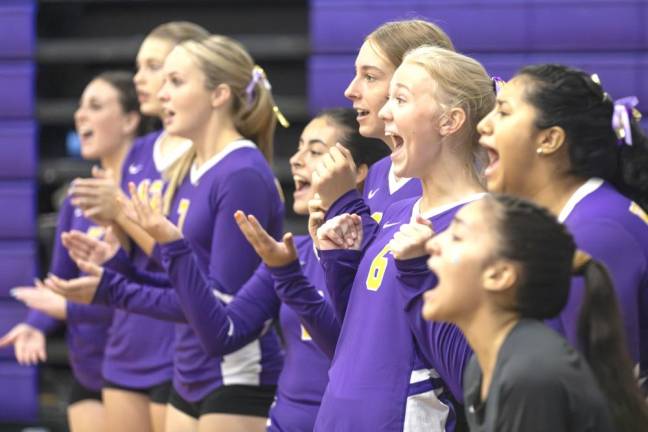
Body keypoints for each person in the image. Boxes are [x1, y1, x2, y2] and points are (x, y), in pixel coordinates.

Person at [47, 34, 287, 432]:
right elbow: (183, 281)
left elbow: (219, 311)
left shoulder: (241, 174)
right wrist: (116, 268)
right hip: (188, 371)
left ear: (219, 95)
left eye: (176, 81)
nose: (162, 92)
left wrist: (114, 290)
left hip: (233, 376)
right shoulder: (190, 168)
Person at [280, 46, 493, 431]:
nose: (385, 112)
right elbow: (355, 333)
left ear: (450, 120)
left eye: (400, 98)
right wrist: (340, 262)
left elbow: (468, 378)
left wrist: (417, 272)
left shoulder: (481, 224)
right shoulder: (399, 211)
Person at [61, 22, 210, 432]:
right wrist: (106, 255)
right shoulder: (140, 152)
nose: (140, 79)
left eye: (153, 66)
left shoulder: (208, 156)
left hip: (178, 340)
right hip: (127, 343)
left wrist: (122, 212)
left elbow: (188, 262)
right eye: (139, 67)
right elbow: (133, 255)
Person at [476, 64, 648, 387]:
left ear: (550, 139)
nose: (483, 125)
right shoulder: (580, 220)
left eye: (503, 112)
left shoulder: (599, 234)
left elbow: (600, 397)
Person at [421, 194, 648, 431]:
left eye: (456, 236)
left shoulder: (530, 373)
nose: (432, 243)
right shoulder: (481, 367)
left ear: (499, 275)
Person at [0, 70, 141, 432]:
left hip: (139, 367)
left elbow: (147, 291)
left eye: (95, 106)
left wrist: (65, 307)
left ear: (130, 120)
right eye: (79, 107)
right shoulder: (77, 198)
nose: (80, 115)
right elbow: (61, 280)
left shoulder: (145, 194)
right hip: (88, 366)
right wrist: (35, 325)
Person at [312, 20, 455, 224]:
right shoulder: (379, 171)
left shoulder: (444, 176)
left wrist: (343, 201)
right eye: (357, 74)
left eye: (370, 77)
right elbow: (368, 256)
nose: (350, 91)